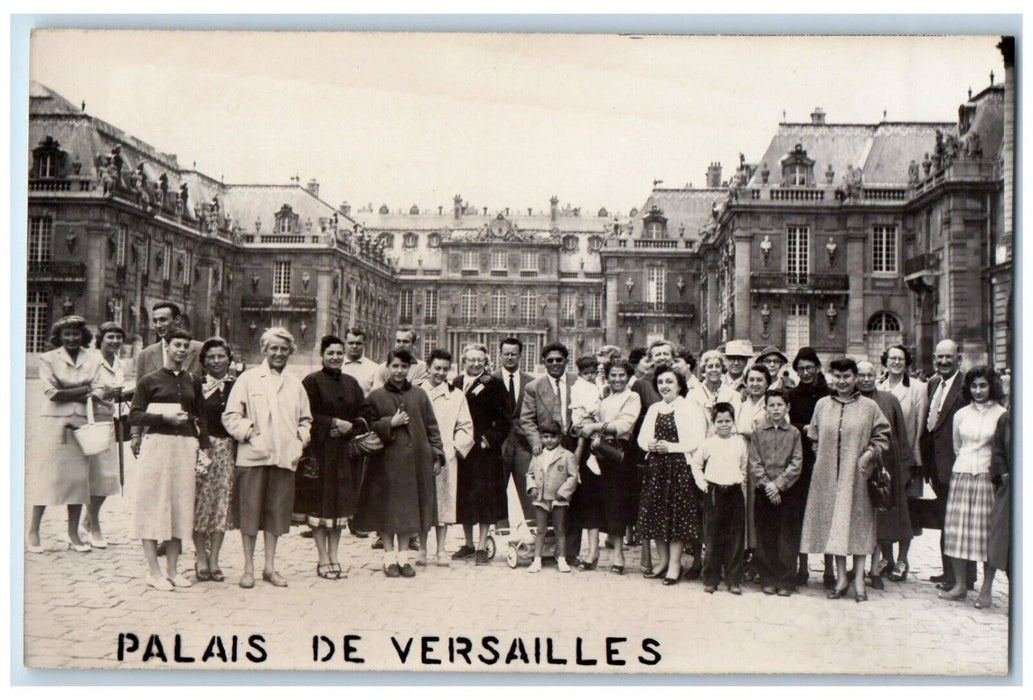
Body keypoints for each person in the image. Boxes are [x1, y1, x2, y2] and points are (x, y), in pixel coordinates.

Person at [222, 327, 313, 589]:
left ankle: (270, 567)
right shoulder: (248, 379)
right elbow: (231, 416)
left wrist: (299, 441)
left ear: (290, 352)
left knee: (276, 514)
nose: (278, 353)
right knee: (250, 514)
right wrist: (250, 434)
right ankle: (248, 568)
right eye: (273, 348)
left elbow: (306, 419)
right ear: (264, 350)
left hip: (284, 457)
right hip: (253, 456)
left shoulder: (295, 383)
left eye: (284, 349)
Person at [800, 358, 890, 603]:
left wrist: (868, 455)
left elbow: (882, 436)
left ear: (855, 377)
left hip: (857, 475)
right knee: (835, 524)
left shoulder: (869, 407)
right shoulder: (822, 405)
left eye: (847, 377)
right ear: (831, 378)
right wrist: (821, 454)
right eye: (837, 377)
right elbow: (813, 434)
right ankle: (841, 578)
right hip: (828, 477)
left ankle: (860, 579)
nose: (842, 382)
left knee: (859, 525)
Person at [128, 329, 207, 590]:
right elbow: (135, 415)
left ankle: (173, 570)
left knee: (180, 506)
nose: (182, 350)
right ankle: (153, 571)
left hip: (184, 447)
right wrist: (164, 419)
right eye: (177, 345)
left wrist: (202, 447)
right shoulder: (149, 381)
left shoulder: (193, 380)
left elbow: (201, 417)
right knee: (152, 504)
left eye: (186, 346)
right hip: (157, 447)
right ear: (167, 347)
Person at [358, 348, 445, 577]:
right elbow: (366, 425)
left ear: (409, 369)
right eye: (394, 366)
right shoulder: (375, 397)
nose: (399, 371)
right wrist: (390, 422)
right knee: (386, 510)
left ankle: (404, 558)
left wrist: (436, 454)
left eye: (403, 367)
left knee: (408, 511)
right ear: (387, 367)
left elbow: (431, 427)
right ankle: (389, 559)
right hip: (385, 465)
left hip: (415, 464)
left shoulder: (419, 395)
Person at [294, 335, 374, 579]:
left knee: (340, 506)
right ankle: (322, 558)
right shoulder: (311, 382)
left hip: (343, 455)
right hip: (320, 453)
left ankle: (335, 556)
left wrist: (352, 426)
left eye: (339, 353)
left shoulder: (351, 383)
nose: (336, 357)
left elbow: (365, 413)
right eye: (331, 353)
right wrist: (330, 423)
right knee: (320, 506)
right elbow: (304, 415)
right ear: (322, 355)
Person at [27, 316, 101, 553]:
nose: (71, 338)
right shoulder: (47, 358)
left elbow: (99, 390)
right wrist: (83, 389)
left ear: (83, 336)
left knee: (78, 480)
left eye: (76, 333)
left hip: (82, 422)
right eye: (66, 334)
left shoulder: (94, 358)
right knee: (47, 477)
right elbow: (51, 392)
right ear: (58, 336)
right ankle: (33, 531)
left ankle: (73, 533)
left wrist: (68, 389)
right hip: (54, 424)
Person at [939, 367, 1007, 603]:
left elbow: (1002, 449)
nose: (978, 391)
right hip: (962, 475)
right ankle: (959, 586)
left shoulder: (1001, 414)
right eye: (974, 386)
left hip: (987, 478)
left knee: (987, 534)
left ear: (992, 387)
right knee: (957, 532)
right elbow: (957, 446)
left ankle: (986, 589)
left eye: (983, 386)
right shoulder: (960, 414)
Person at [637, 365, 706, 584]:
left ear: (679, 385)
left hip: (679, 468)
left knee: (676, 517)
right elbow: (641, 438)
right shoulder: (655, 408)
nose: (664, 386)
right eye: (660, 382)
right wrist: (650, 445)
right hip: (656, 468)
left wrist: (671, 447)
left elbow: (698, 439)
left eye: (669, 382)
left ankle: (675, 565)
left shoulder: (689, 407)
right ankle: (663, 561)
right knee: (656, 513)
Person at [571, 358, 642, 573]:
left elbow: (623, 425)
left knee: (616, 503)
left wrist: (593, 426)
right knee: (590, 501)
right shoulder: (600, 395)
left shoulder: (632, 397)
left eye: (621, 375)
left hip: (615, 453)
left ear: (628, 376)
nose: (617, 379)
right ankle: (593, 552)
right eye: (613, 375)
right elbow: (582, 419)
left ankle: (618, 555)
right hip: (593, 453)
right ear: (607, 376)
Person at [856, 360, 916, 590]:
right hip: (861, 467)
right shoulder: (850, 400)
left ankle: (900, 560)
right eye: (861, 374)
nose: (865, 379)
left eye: (870, 374)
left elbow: (900, 435)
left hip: (888, 466)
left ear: (876, 376)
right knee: (865, 516)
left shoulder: (889, 400)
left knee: (896, 516)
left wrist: (906, 468)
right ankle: (875, 562)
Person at [919, 339, 973, 591]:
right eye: (939, 357)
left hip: (957, 465)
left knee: (959, 523)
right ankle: (948, 573)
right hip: (936, 467)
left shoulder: (966, 386)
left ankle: (963, 578)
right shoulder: (933, 383)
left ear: (957, 358)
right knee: (945, 519)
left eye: (948, 357)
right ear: (933, 358)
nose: (943, 362)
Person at [519, 342, 579, 565]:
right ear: (544, 363)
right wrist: (537, 443)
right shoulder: (534, 387)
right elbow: (526, 418)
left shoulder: (577, 383)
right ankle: (546, 548)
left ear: (566, 360)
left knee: (572, 495)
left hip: (572, 443)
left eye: (559, 360)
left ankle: (569, 552)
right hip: (547, 446)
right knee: (547, 495)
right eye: (550, 360)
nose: (555, 364)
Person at [452, 343, 512, 565]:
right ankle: (468, 544)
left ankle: (481, 545)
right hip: (462, 451)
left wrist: (489, 440)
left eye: (480, 360)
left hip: (484, 452)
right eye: (471, 360)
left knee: (485, 499)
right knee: (464, 497)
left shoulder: (494, 385)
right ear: (463, 361)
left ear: (486, 362)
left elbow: (505, 419)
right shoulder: (456, 384)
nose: (476, 364)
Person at [876, 344, 928, 581]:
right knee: (883, 506)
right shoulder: (877, 386)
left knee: (907, 509)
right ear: (885, 362)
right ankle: (886, 557)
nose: (896, 362)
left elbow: (918, 425)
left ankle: (902, 559)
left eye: (900, 358)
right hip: (883, 457)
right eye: (892, 358)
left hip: (906, 458)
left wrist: (915, 460)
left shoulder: (917, 388)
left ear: (907, 362)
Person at [419, 348, 474, 566]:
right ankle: (422, 548)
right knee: (423, 502)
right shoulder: (417, 392)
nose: (441, 373)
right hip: (420, 456)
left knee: (444, 502)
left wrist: (453, 448)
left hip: (445, 456)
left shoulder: (456, 395)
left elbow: (465, 426)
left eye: (445, 369)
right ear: (428, 368)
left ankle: (441, 549)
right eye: (437, 368)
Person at [190, 338, 237, 583]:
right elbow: (193, 417)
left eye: (221, 356)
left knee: (221, 504)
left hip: (228, 451)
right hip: (201, 450)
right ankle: (200, 556)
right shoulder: (196, 385)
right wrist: (201, 445)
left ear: (229, 359)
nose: (216, 361)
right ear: (204, 361)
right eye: (211, 357)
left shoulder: (236, 386)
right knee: (200, 504)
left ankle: (215, 558)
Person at [748, 389, 803, 596]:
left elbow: (796, 463)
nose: (776, 409)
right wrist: (767, 485)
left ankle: (786, 581)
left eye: (780, 405)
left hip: (787, 492)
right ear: (765, 408)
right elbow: (755, 461)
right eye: (771, 405)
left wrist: (778, 485)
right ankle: (768, 578)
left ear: (787, 408)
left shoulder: (794, 434)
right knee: (766, 535)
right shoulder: (758, 432)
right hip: (764, 491)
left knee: (787, 537)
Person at [692, 402, 749, 594]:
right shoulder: (708, 443)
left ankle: (733, 580)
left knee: (735, 537)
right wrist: (703, 484)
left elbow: (744, 466)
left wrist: (740, 480)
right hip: (714, 493)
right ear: (713, 422)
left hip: (734, 493)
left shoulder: (739, 443)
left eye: (728, 421)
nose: (724, 425)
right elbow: (696, 465)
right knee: (713, 537)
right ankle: (711, 579)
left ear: (733, 422)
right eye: (720, 421)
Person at [786, 347, 831, 587]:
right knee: (800, 514)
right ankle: (802, 567)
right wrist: (807, 429)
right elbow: (788, 424)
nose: (805, 373)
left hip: (825, 459)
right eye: (801, 369)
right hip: (800, 460)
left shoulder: (830, 394)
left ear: (817, 368)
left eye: (809, 368)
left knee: (826, 515)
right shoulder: (792, 396)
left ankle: (829, 569)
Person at [85, 321, 130, 548]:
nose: (115, 341)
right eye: (110, 337)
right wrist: (103, 394)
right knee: (97, 477)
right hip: (90, 421)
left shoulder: (119, 364)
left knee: (109, 478)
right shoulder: (92, 361)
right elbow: (83, 391)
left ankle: (86, 522)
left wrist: (124, 395)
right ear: (100, 339)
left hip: (110, 422)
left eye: (118, 337)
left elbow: (115, 393)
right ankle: (94, 526)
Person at [525, 420, 578, 573]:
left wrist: (563, 493)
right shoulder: (537, 456)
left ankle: (562, 559)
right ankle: (537, 560)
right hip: (541, 498)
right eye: (545, 437)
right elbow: (529, 474)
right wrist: (532, 487)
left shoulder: (567, 456)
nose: (549, 440)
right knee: (540, 530)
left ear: (560, 438)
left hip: (558, 499)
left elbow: (573, 476)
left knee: (559, 529)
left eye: (553, 437)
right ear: (541, 437)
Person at [627, 347, 662, 573]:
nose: (661, 358)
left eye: (666, 353)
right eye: (656, 355)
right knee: (645, 500)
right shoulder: (641, 384)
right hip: (645, 448)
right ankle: (647, 555)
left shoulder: (677, 381)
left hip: (674, 448)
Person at [737, 364, 772, 582]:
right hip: (742, 458)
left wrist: (751, 432)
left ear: (767, 382)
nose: (755, 384)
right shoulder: (742, 404)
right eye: (751, 380)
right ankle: (745, 558)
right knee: (744, 507)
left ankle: (762, 561)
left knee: (760, 509)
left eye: (760, 380)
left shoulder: (771, 404)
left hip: (764, 460)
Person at [494, 337, 536, 521]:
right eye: (506, 354)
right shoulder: (490, 380)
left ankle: (536, 534)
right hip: (498, 444)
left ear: (520, 356)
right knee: (497, 490)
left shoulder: (532, 382)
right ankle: (500, 534)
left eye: (514, 354)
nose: (510, 358)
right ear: (500, 355)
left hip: (523, 444)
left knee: (530, 488)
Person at [982, 408, 1010, 608]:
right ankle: (986, 587)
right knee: (998, 538)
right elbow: (997, 449)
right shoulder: (1007, 418)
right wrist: (1002, 474)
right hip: (1009, 487)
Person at [135, 301, 203, 378]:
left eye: (163, 320)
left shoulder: (200, 350)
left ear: (177, 319)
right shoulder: (145, 355)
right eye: (155, 321)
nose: (158, 325)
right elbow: (140, 388)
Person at [689, 350, 742, 434]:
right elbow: (690, 424)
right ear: (703, 371)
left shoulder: (734, 395)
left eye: (717, 366)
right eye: (710, 366)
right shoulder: (693, 395)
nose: (714, 369)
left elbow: (735, 425)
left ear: (722, 370)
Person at [569, 355, 602, 472]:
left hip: (589, 415)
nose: (589, 376)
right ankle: (590, 458)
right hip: (582, 416)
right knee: (596, 434)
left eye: (592, 373)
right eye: (586, 373)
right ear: (580, 373)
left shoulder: (594, 384)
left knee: (582, 442)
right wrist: (597, 414)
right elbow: (588, 405)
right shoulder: (579, 386)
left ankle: (577, 466)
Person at [340, 327, 380, 396]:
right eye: (351, 343)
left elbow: (377, 396)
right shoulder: (337, 365)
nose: (354, 346)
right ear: (344, 343)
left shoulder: (374, 368)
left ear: (364, 344)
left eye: (358, 343)